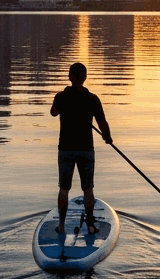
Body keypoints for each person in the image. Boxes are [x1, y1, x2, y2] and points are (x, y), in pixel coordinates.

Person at [51, 62, 112, 234]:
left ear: (69, 76)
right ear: (85, 77)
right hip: (86, 149)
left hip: (66, 149)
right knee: (88, 188)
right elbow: (102, 123)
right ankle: (91, 226)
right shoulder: (92, 99)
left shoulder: (61, 97)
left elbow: (53, 112)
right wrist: (107, 137)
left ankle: (61, 226)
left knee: (64, 188)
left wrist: (64, 101)